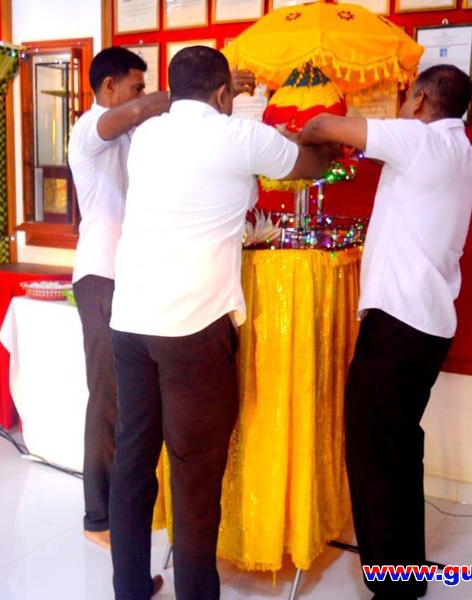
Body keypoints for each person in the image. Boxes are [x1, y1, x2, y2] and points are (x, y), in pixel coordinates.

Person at [107, 46, 334, 600]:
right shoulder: (240, 136)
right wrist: (315, 134)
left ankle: (129, 589)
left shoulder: (149, 134)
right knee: (194, 472)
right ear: (223, 94)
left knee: (134, 457)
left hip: (130, 320)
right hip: (191, 329)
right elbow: (311, 167)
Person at [300, 64, 472, 599]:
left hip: (398, 324)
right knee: (400, 447)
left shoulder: (418, 141)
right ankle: (408, 571)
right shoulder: (466, 154)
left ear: (421, 100)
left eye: (406, 99)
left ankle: (390, 585)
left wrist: (302, 136)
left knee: (373, 453)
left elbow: (326, 124)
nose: (402, 107)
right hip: (430, 325)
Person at [67, 46, 169, 551]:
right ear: (109, 87)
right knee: (107, 400)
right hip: (101, 278)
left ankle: (131, 510)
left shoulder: (132, 135)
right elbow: (133, 113)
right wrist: (183, 93)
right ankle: (98, 517)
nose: (142, 97)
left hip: (133, 278)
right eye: (136, 86)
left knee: (134, 400)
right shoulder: (90, 128)